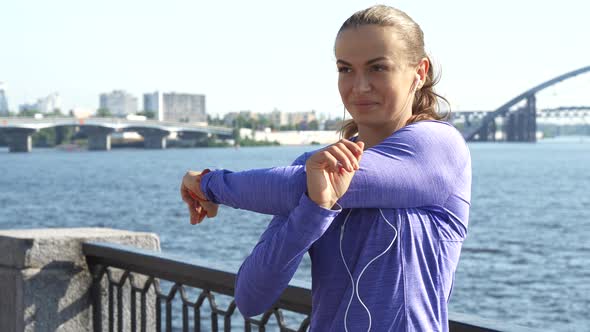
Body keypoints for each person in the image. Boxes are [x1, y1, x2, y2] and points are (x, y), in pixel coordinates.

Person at [181, 5, 471, 331]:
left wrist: (207, 184)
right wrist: (315, 209)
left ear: (419, 72)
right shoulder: (314, 168)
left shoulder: (438, 148)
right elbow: (250, 299)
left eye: (378, 68)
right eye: (346, 69)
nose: (359, 86)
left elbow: (297, 186)